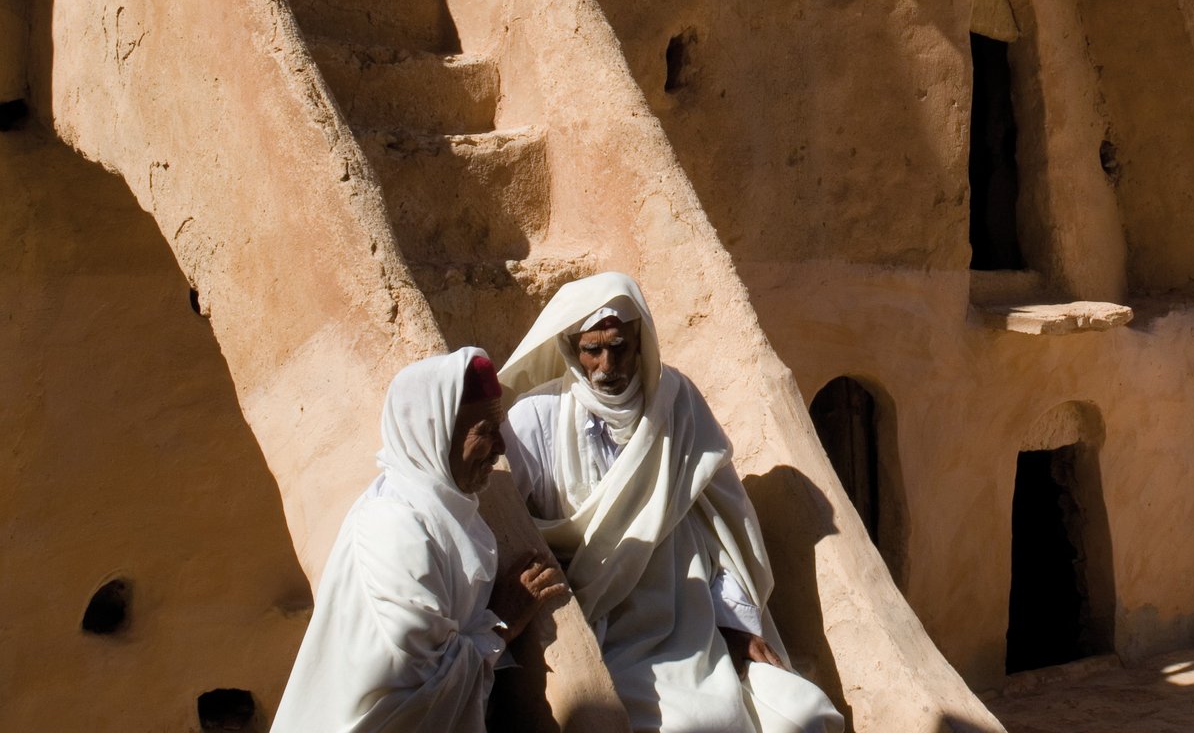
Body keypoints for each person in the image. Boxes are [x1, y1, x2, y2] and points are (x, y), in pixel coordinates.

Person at [500, 272, 843, 733]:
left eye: (619, 346)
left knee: (804, 713)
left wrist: (736, 623)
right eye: (592, 350)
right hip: (602, 621)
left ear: (640, 340)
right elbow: (505, 518)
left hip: (688, 613)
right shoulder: (536, 419)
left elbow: (720, 529)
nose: (607, 364)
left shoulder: (676, 402)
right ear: (570, 348)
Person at [272, 348, 568, 732]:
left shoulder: (449, 511)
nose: (501, 447)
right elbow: (423, 681)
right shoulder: (393, 525)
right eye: (485, 431)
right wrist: (503, 621)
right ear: (436, 431)